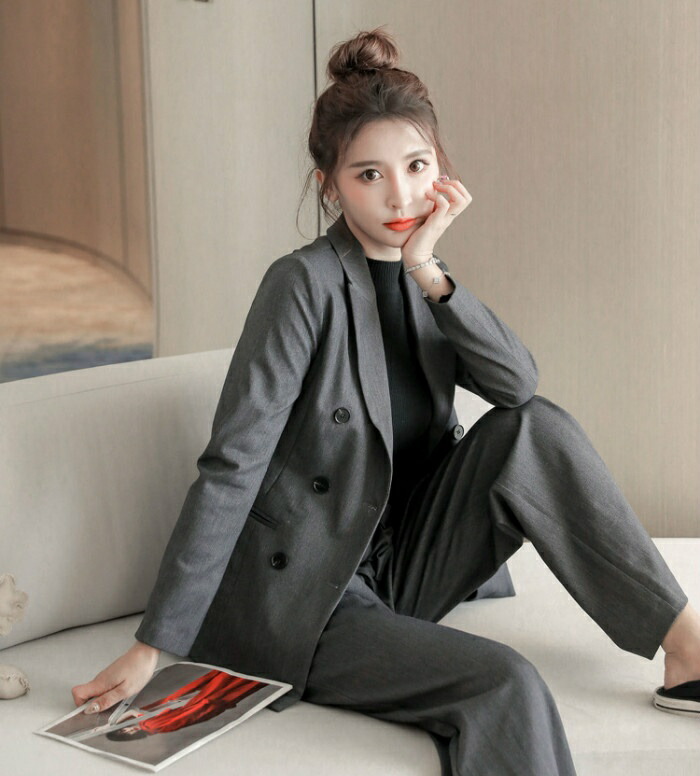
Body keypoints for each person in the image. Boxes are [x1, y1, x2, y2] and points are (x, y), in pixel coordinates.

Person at [73, 26, 700, 776]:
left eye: (416, 166)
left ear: (442, 171)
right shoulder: (300, 286)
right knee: (505, 681)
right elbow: (233, 465)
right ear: (330, 185)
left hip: (403, 565)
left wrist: (428, 268)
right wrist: (156, 642)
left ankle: (687, 647)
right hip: (313, 595)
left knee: (534, 427)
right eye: (369, 174)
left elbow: (516, 388)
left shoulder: (423, 274)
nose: (400, 195)